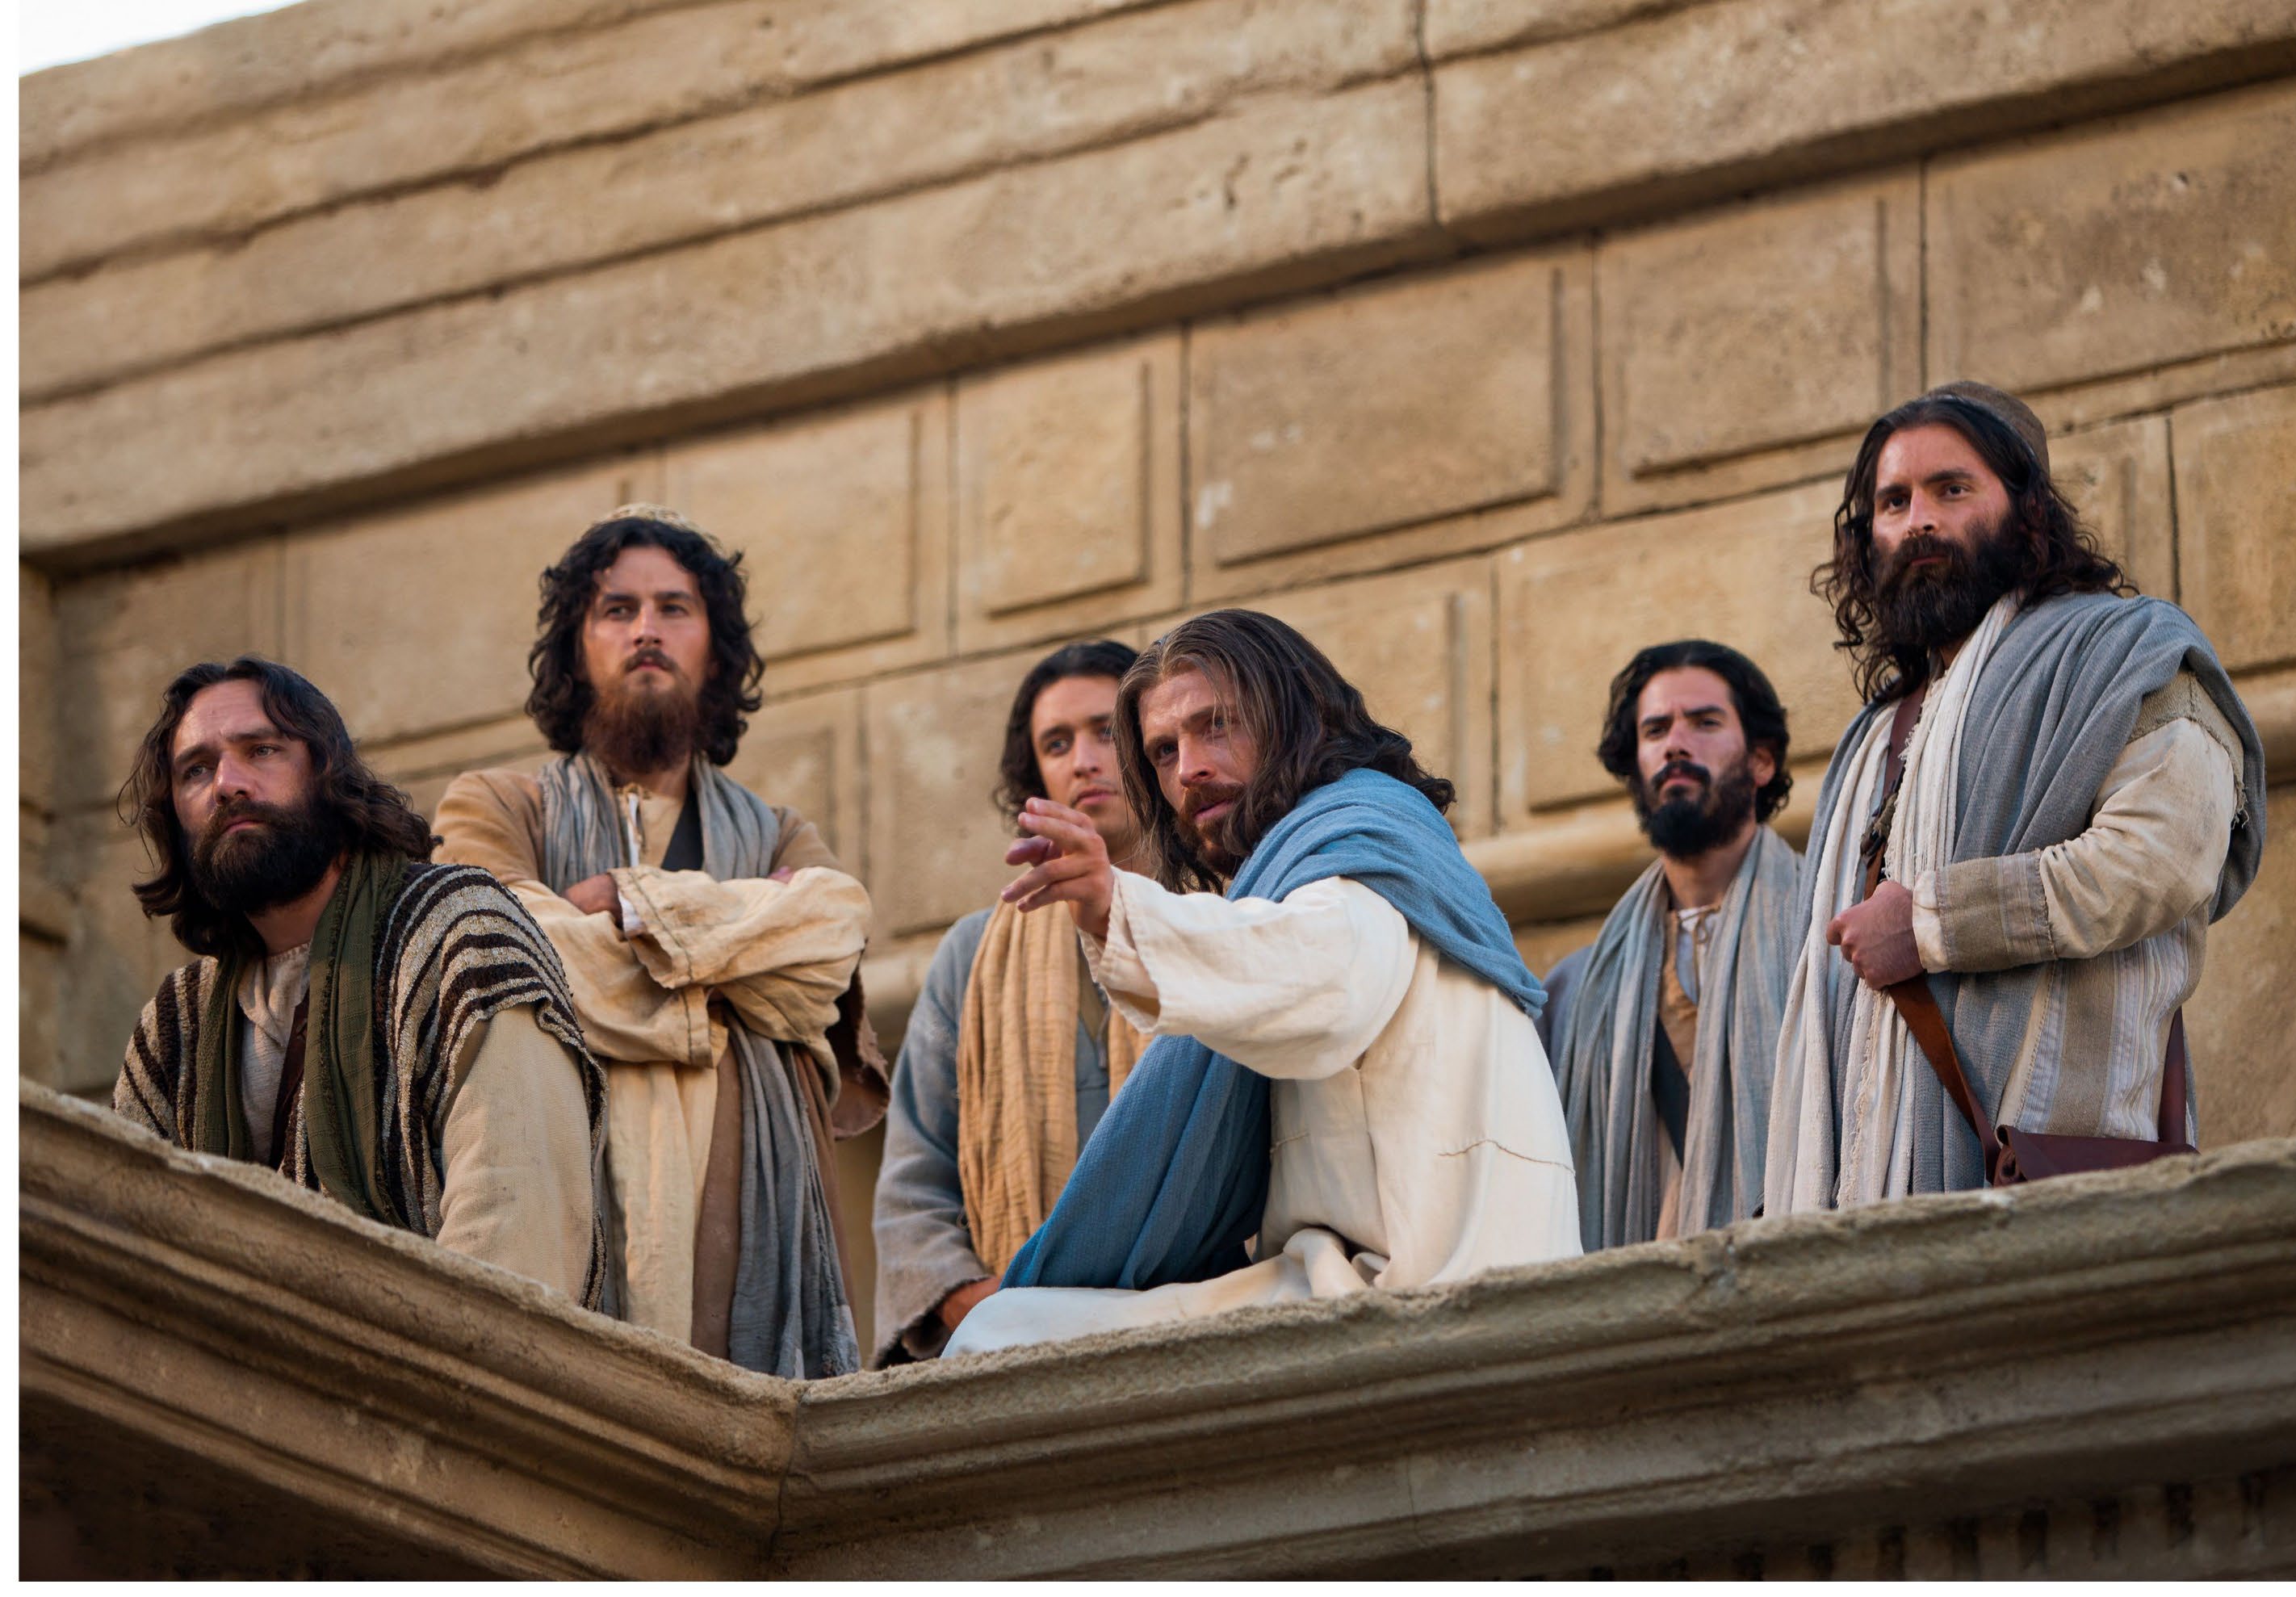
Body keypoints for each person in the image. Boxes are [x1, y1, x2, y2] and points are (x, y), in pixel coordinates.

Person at [942, 610, 1580, 1357]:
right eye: (1162, 750)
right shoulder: (1352, 849)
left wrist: (1117, 905)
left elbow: (1322, 972)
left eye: (1217, 727)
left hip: (1413, 1295)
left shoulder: (1361, 843)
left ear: (1292, 716)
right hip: (1356, 1282)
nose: (1189, 770)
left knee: (1000, 1338)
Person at [1766, 383, 2267, 1213]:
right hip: (1856, 1209)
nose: (1918, 519)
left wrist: (1929, 924)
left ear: (2026, 509)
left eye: (1951, 489)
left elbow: (2157, 861)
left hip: (2053, 1181)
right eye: (1893, 501)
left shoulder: (2129, 651)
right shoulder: (1870, 739)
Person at [434, 505, 886, 1378]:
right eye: (617, 609)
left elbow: (832, 936)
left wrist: (633, 905)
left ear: (716, 650)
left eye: (675, 608)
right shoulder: (495, 808)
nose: (647, 629)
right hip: (569, 1201)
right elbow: (510, 948)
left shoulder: (781, 833)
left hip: (754, 1225)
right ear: (577, 649)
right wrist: (731, 958)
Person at [113, 656, 604, 1304]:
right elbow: (127, 1259)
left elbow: (516, 1232)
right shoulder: (176, 1030)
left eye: (262, 750)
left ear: (326, 772)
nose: (228, 783)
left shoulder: (460, 932)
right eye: (196, 770)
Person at [871, 640, 1154, 1364]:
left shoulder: (1227, 917)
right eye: (1056, 744)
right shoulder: (970, 959)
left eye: (1105, 732)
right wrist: (983, 1307)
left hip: (1215, 1327)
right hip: (1017, 1357)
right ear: (1037, 779)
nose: (1083, 760)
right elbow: (914, 1186)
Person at [1543, 640, 1800, 1247]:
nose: (1675, 745)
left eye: (1705, 723)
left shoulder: (1830, 939)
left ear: (1761, 761)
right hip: (1641, 1303)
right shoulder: (1575, 990)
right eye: (1655, 729)